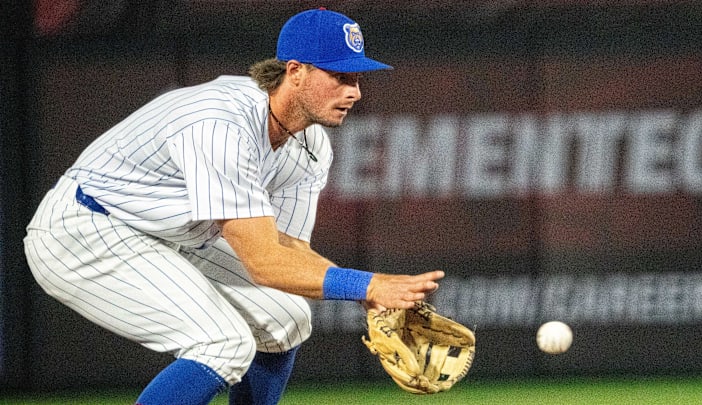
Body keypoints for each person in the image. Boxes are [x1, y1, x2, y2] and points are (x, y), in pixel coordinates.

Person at [23, 8, 444, 405]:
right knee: (222, 343)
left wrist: (367, 296)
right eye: (339, 75)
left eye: (357, 77)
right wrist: (367, 284)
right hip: (84, 229)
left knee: (288, 318)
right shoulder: (222, 122)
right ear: (295, 72)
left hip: (164, 234)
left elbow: (287, 248)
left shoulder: (310, 143)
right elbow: (263, 263)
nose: (354, 91)